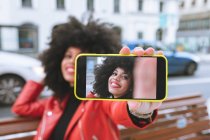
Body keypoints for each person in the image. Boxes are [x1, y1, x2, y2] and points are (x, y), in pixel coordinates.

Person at [12, 16, 162, 140]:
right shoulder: (54, 102)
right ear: (56, 60)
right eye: (68, 56)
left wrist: (136, 111)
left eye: (80, 57)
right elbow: (20, 107)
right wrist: (44, 76)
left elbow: (117, 108)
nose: (71, 61)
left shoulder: (98, 100)